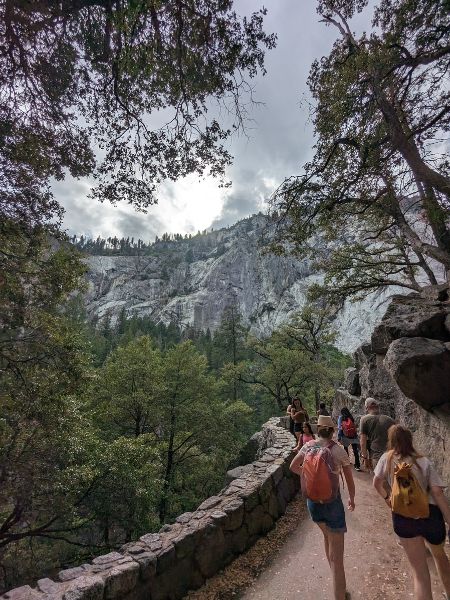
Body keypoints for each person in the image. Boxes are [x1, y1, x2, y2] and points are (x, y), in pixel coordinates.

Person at [373, 425, 450, 600]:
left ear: (391, 441)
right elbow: (437, 493)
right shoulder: (423, 461)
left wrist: (388, 499)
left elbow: (376, 483)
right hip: (430, 515)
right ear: (410, 440)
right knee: (440, 557)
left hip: (403, 517)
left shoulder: (387, 458)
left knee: (420, 575)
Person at [290, 415, 355, 600]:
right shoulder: (338, 450)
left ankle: (335, 578)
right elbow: (349, 480)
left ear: (317, 429)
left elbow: (293, 467)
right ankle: (340, 594)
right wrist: (352, 498)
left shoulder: (308, 446)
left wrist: (308, 474)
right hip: (332, 504)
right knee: (338, 560)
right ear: (333, 431)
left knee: (327, 536)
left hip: (313, 503)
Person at [359, 397, 395, 471]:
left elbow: (363, 442)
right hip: (391, 455)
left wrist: (365, 457)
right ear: (377, 406)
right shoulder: (390, 419)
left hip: (376, 455)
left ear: (367, 408)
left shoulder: (364, 419)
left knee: (379, 480)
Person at [338, 407, 361, 471]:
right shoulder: (351, 417)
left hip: (345, 436)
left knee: (346, 450)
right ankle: (357, 465)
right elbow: (354, 427)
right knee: (355, 451)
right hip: (353, 436)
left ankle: (347, 462)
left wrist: (339, 437)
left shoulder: (341, 418)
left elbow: (340, 428)